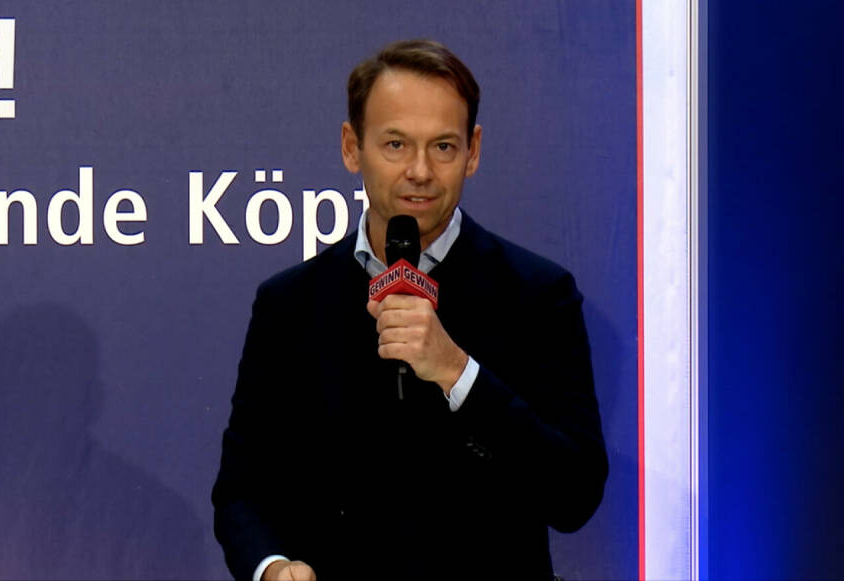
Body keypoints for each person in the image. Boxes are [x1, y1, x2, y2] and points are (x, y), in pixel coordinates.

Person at [212, 39, 607, 581]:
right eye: (396, 144)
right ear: (352, 147)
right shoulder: (290, 304)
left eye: (443, 147)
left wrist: (458, 372)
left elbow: (574, 494)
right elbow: (242, 490)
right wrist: (273, 568)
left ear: (473, 151)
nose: (420, 171)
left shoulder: (537, 295)